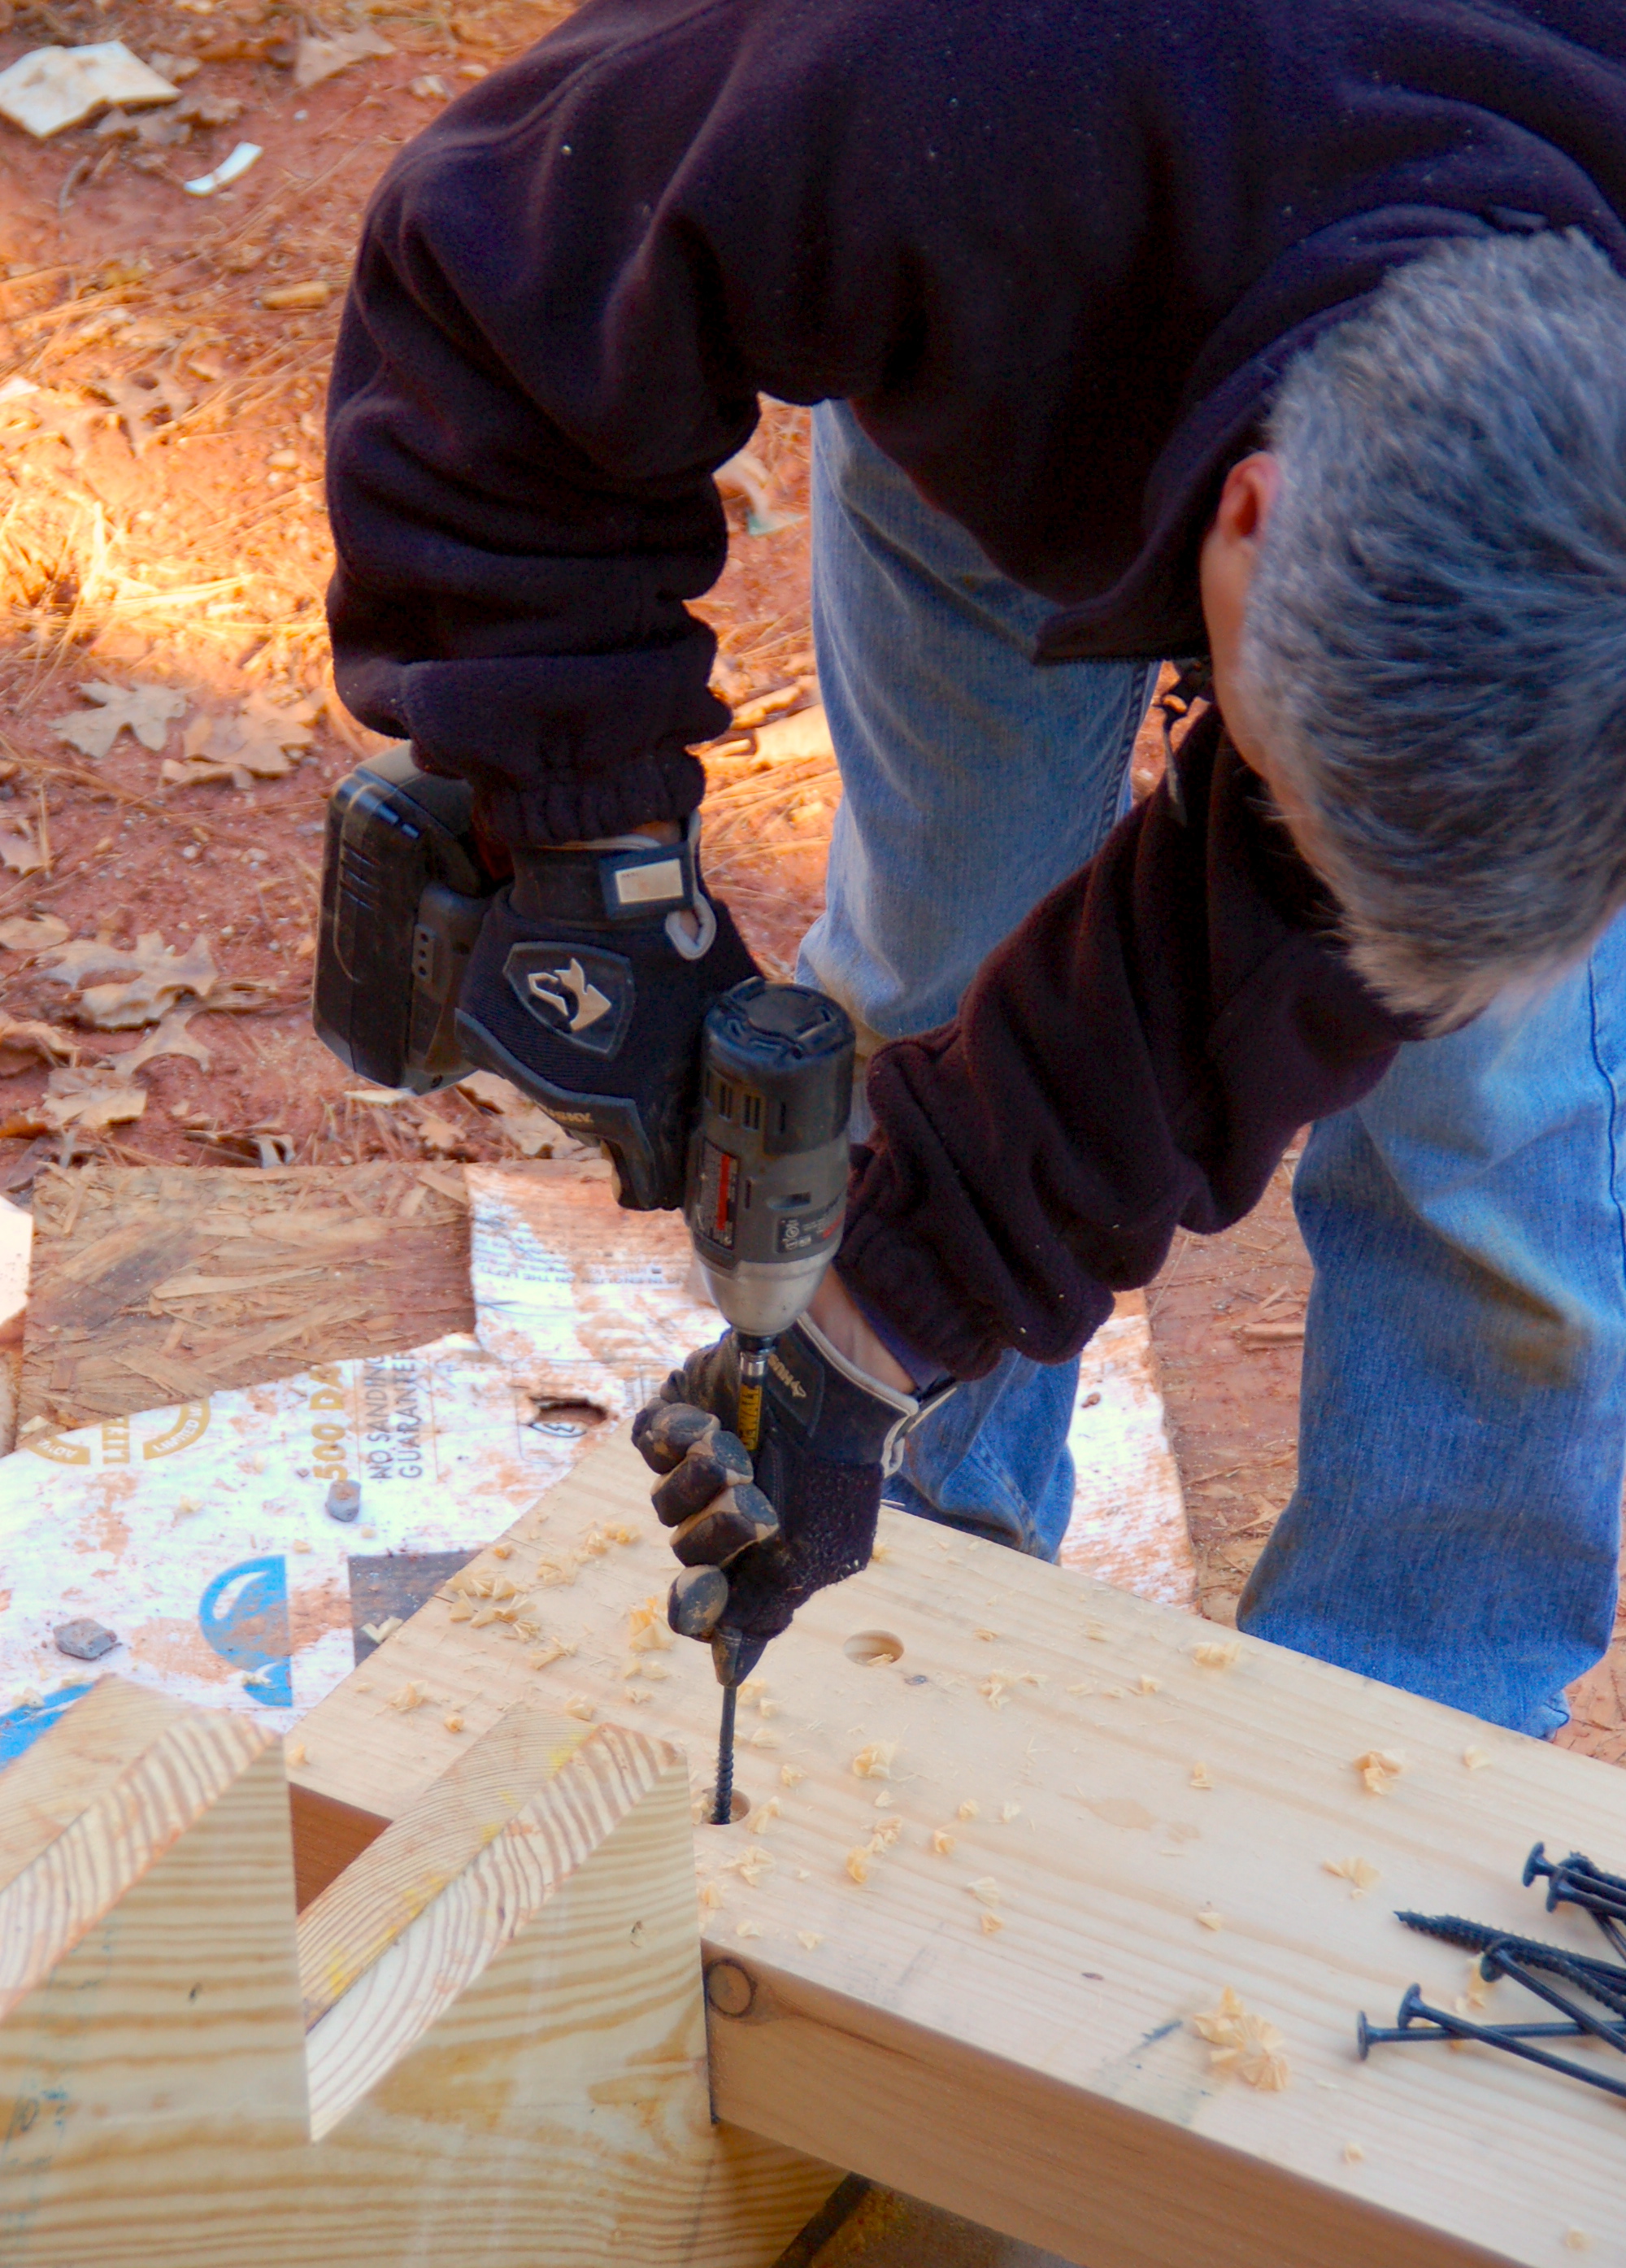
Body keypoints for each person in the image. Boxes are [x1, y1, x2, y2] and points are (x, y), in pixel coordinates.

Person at [325, 0, 1626, 1735]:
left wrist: (865, 1330)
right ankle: (923, 1607)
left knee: (1497, 1111)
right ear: (1254, 517)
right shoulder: (935, 91)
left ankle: (1402, 1743)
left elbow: (1253, 962)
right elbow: (499, 269)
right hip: (1017, 302)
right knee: (947, 937)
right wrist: (576, 823)